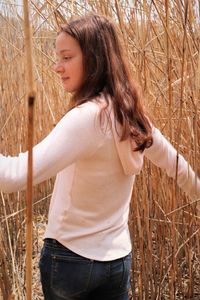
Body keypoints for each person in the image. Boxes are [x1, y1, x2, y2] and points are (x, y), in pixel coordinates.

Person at [0, 13, 199, 300]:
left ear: (94, 59)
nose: (57, 67)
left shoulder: (86, 118)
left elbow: (14, 176)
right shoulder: (130, 113)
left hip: (70, 261)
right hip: (117, 263)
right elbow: (177, 166)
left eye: (66, 57)